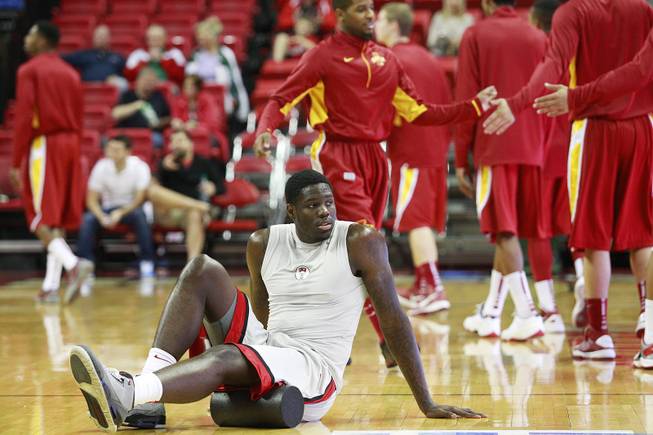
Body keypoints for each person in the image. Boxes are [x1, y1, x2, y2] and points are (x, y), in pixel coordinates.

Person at [68, 170, 486, 432]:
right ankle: (146, 404)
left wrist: (426, 401)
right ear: (291, 211)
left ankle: (131, 391)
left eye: (329, 203)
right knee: (201, 269)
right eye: (313, 205)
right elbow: (262, 312)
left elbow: (394, 319)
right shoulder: (263, 242)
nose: (325, 212)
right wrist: (258, 352)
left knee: (227, 355)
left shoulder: (360, 240)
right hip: (274, 345)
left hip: (316, 370)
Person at [253, 0, 496, 367]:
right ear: (340, 15)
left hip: (376, 157)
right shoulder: (321, 57)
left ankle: (319, 336)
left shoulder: (388, 59)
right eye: (361, 9)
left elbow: (419, 111)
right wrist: (265, 129)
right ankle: (391, 341)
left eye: (371, 9)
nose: (369, 15)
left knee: (347, 256)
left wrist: (472, 108)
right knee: (367, 249)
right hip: (337, 155)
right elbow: (281, 98)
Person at [483, 0, 653, 360]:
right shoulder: (643, 9)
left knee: (593, 238)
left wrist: (519, 102)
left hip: (594, 129)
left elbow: (553, 65)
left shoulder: (573, 11)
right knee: (644, 236)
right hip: (642, 127)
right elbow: (641, 71)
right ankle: (649, 323)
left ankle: (598, 334)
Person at [454, 0, 548, 340]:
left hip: (494, 143)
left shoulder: (476, 34)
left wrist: (461, 156)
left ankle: (527, 313)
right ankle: (491, 313)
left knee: (503, 230)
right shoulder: (538, 36)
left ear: (486, 2)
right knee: (509, 230)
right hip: (534, 145)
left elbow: (468, 97)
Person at [374, 3, 452, 315]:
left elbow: (383, 109)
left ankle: (432, 286)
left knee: (416, 220)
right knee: (421, 219)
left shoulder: (392, 59)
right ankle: (423, 284)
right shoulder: (427, 57)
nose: (375, 25)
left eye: (380, 20)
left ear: (394, 25)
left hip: (411, 148)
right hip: (435, 148)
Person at [9, 21, 93, 304]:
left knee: (38, 216)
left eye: (31, 34)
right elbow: (79, 116)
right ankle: (51, 286)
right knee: (54, 217)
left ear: (43, 40)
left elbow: (24, 117)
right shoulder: (71, 73)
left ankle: (74, 265)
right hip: (71, 143)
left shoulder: (29, 70)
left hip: (45, 143)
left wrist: (16, 161)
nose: (26, 39)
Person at [524, 0, 582, 333]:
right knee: (580, 227)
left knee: (539, 230)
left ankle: (549, 310)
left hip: (540, 149)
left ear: (536, 21)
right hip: (575, 144)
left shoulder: (535, 48)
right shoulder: (580, 47)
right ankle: (585, 283)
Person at [77, 135, 155, 279]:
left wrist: (120, 212)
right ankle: (86, 263)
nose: (112, 152)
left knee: (140, 216)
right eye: (109, 149)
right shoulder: (101, 166)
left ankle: (146, 261)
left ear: (127, 151)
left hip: (131, 208)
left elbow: (139, 199)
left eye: (117, 149)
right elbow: (91, 200)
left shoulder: (139, 167)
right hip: (108, 208)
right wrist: (101, 216)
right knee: (88, 219)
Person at [155, 129, 224, 260]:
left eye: (180, 140)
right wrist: (162, 167)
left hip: (194, 212)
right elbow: (155, 190)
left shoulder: (204, 163)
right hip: (172, 211)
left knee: (194, 214)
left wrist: (213, 188)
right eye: (173, 141)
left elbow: (221, 187)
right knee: (196, 212)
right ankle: (199, 207)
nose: (176, 144)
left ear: (191, 144)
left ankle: (191, 263)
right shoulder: (165, 165)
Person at [185, 16, 250, 124]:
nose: (200, 38)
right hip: (199, 102)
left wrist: (241, 107)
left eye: (203, 35)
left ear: (213, 36)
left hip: (221, 101)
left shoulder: (225, 54)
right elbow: (189, 81)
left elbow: (235, 81)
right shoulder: (195, 55)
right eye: (199, 36)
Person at [112, 67, 171, 148]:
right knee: (106, 140)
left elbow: (168, 118)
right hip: (126, 133)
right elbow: (115, 114)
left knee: (158, 140)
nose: (148, 83)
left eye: (151, 81)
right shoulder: (128, 95)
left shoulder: (159, 97)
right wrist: (136, 106)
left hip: (149, 135)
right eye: (146, 80)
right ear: (138, 80)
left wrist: (158, 123)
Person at [61, 25, 127, 89]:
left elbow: (127, 73)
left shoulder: (118, 57)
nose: (101, 39)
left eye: (103, 36)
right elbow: (62, 60)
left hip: (110, 89)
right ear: (93, 38)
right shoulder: (84, 55)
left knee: (122, 83)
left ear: (109, 38)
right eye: (98, 36)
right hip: (88, 89)